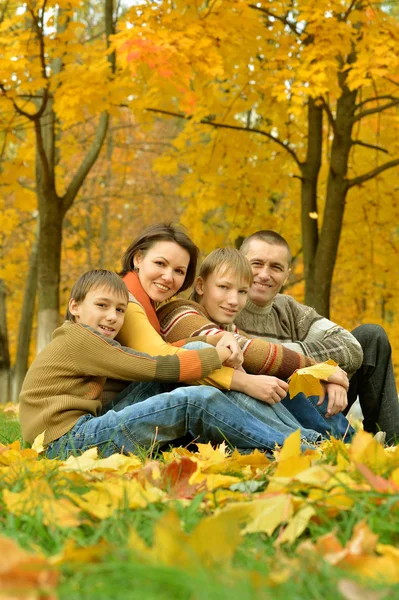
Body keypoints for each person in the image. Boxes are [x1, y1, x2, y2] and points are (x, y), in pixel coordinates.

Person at [19, 269, 314, 458]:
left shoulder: (83, 337)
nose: (112, 317)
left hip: (83, 428)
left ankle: (302, 441)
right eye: (102, 306)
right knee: (194, 400)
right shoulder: (78, 339)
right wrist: (218, 356)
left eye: (120, 310)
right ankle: (296, 448)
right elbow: (155, 367)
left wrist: (209, 344)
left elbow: (160, 359)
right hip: (63, 443)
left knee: (194, 362)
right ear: (75, 307)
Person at [113, 223, 326, 445]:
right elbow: (162, 358)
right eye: (160, 263)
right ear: (138, 259)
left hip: (140, 406)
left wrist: (219, 339)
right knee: (208, 357)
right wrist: (243, 381)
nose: (168, 277)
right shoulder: (124, 301)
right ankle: (304, 442)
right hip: (113, 416)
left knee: (236, 367)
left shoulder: (143, 302)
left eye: (178, 271)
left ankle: (307, 441)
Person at [157, 247, 354, 441]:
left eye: (242, 291)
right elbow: (246, 349)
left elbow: (255, 347)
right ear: (200, 286)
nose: (234, 300)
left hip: (218, 420)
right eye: (224, 287)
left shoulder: (226, 327)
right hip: (184, 424)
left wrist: (324, 378)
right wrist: (319, 369)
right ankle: (326, 442)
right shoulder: (180, 314)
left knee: (287, 376)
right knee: (271, 372)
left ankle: (343, 440)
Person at [236, 230, 399, 444]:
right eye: (256, 263)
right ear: (239, 264)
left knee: (372, 336)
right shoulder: (223, 303)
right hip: (263, 409)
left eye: (276, 267)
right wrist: (317, 370)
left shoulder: (289, 308)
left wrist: (325, 375)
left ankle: (391, 443)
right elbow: (240, 354)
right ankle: (353, 444)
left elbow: (351, 347)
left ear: (287, 275)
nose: (265, 275)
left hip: (320, 404)